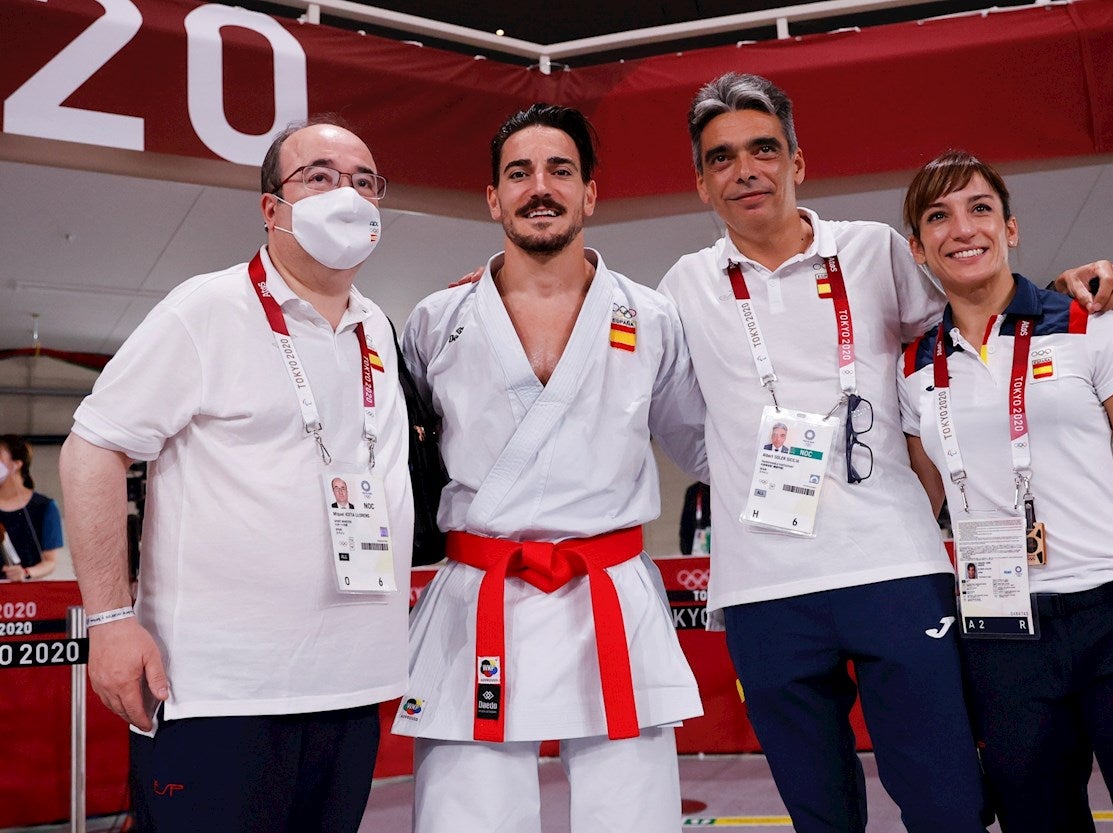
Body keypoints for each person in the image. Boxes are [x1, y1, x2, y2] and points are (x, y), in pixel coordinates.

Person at [657, 72, 1113, 833]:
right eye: (721, 158)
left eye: (763, 149)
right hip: (762, 587)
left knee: (948, 802)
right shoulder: (683, 286)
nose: (745, 170)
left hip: (897, 568)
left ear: (797, 162)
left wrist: (1059, 292)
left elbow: (974, 313)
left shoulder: (874, 250)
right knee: (820, 813)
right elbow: (681, 425)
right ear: (701, 182)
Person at [59, 118, 413, 833]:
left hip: (351, 686)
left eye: (363, 180)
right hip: (221, 693)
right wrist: (108, 619)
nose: (346, 194)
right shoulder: (206, 309)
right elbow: (92, 447)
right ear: (271, 207)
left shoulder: (377, 326)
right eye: (318, 176)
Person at [390, 104, 707, 833]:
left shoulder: (652, 317)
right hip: (481, 592)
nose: (541, 187)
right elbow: (399, 456)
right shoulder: (436, 321)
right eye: (519, 173)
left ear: (590, 193)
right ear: (493, 198)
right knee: (466, 819)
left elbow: (701, 448)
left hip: (610, 592)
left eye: (560, 170)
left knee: (633, 818)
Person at [898, 149, 1113, 833]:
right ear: (917, 245)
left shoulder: (1090, 323)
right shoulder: (913, 367)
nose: (963, 228)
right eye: (939, 215)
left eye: (980, 208)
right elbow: (919, 509)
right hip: (999, 632)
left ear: (1010, 228)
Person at [0, 435, 64, 581]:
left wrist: (26, 572)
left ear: (17, 464)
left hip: (25, 596)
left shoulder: (45, 506)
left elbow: (50, 561)